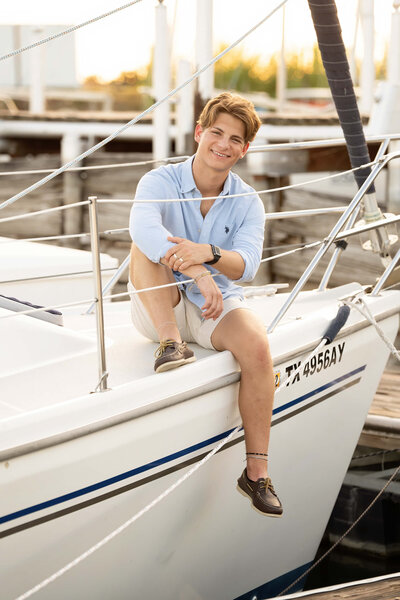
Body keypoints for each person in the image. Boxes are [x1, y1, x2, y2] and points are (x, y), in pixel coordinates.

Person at [128, 92, 282, 518]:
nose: (224, 144)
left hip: (215, 304)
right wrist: (195, 270)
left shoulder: (248, 200)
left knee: (258, 346)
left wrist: (208, 254)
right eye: (217, 132)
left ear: (245, 149)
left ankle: (256, 473)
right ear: (199, 133)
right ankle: (170, 344)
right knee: (143, 247)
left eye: (236, 139)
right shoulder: (159, 181)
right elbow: (143, 229)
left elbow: (247, 265)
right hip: (161, 303)